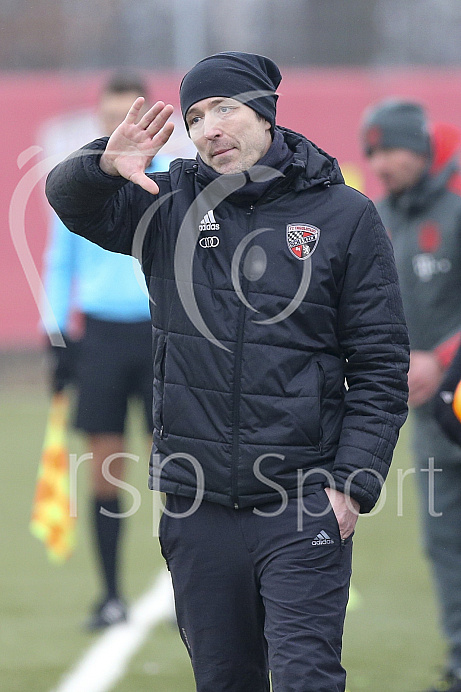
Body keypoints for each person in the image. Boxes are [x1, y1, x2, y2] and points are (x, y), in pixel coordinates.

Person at [46, 52, 409, 691]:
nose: (208, 127)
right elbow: (67, 199)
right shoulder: (167, 202)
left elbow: (380, 365)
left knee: (307, 680)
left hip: (303, 503)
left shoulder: (345, 216)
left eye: (224, 109)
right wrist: (105, 162)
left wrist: (351, 484)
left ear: (265, 111)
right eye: (194, 116)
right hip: (197, 507)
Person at [42, 72, 171, 630]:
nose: (123, 125)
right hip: (100, 337)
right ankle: (112, 594)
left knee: (178, 468)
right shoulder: (81, 190)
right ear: (101, 121)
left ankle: (182, 589)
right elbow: (59, 262)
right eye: (113, 116)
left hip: (160, 332)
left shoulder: (170, 185)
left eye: (132, 115)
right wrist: (55, 337)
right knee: (106, 466)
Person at [361, 99, 461, 692]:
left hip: (451, 390)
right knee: (443, 540)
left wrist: (442, 359)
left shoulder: (455, 210)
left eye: (389, 149)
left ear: (420, 150)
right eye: (371, 152)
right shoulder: (377, 219)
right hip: (428, 418)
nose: (380, 162)